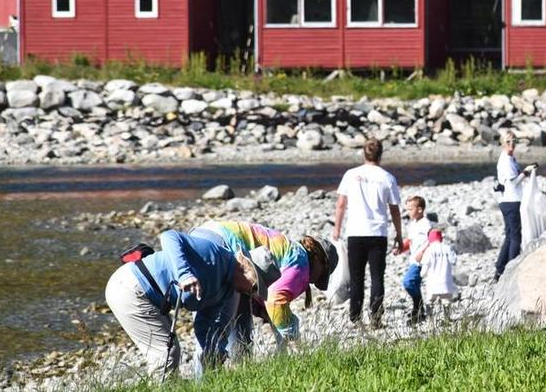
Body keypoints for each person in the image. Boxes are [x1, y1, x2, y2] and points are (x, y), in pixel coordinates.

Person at [105, 230, 280, 379]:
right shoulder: (213, 254)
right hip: (129, 287)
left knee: (175, 352)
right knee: (165, 353)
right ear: (246, 268)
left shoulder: (226, 291)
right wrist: (184, 274)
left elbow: (205, 326)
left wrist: (214, 353)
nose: (252, 294)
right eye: (255, 287)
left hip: (151, 297)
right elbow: (169, 236)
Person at [188, 221, 338, 371]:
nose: (315, 281)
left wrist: (264, 312)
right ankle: (204, 383)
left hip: (202, 235)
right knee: (212, 332)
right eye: (323, 274)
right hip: (223, 246)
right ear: (319, 259)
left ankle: (240, 377)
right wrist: (293, 335)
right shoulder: (301, 263)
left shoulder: (287, 250)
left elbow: (253, 289)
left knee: (233, 330)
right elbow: (276, 300)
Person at [333, 138, 402, 328]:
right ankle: (376, 318)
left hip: (355, 231)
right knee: (377, 277)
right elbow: (394, 208)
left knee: (356, 277)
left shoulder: (351, 174)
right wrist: (399, 233)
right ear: (381, 154)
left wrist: (337, 229)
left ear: (364, 153)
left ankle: (355, 317)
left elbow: (341, 204)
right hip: (378, 232)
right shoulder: (387, 178)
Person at [494, 130, 535, 282]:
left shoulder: (510, 159)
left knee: (510, 235)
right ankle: (512, 268)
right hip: (511, 201)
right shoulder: (505, 160)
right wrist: (526, 171)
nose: (511, 145)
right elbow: (514, 182)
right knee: (516, 235)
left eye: (513, 141)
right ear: (502, 144)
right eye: (508, 142)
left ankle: (500, 267)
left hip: (508, 200)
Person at [401, 196, 432, 325]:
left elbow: (431, 239)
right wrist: (401, 248)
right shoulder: (413, 224)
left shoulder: (426, 223)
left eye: (410, 209)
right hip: (414, 259)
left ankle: (418, 307)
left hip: (421, 260)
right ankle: (418, 310)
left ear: (419, 209)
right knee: (415, 284)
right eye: (407, 209)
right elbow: (410, 241)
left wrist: (422, 252)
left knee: (408, 282)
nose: (408, 212)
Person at [419, 229, 457, 319]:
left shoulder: (429, 250)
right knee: (446, 301)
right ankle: (447, 319)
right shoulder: (447, 248)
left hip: (433, 282)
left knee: (430, 301)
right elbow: (454, 261)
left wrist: (422, 275)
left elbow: (425, 267)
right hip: (446, 281)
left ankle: (431, 320)